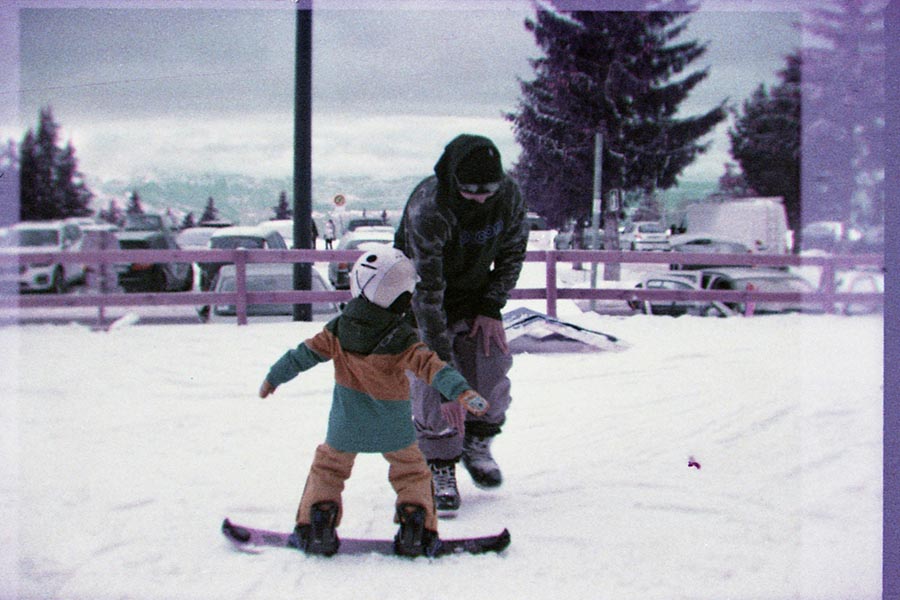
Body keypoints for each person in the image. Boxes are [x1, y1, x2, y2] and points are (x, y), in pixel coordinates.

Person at [258, 244, 489, 557]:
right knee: (412, 472)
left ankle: (318, 523)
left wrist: (275, 376)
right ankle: (415, 526)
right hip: (392, 426)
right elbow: (432, 367)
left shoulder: (337, 330)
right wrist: (462, 390)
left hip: (346, 425)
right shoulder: (404, 338)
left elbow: (303, 355)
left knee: (328, 469)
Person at [394, 134, 528, 510]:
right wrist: (443, 373)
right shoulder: (429, 208)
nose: (482, 198)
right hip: (422, 299)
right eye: (471, 191)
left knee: (491, 363)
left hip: (474, 296)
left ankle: (475, 441)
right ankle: (439, 462)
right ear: (453, 181)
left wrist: (491, 306)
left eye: (489, 189)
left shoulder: (509, 197)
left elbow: (513, 251)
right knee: (432, 385)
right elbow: (427, 291)